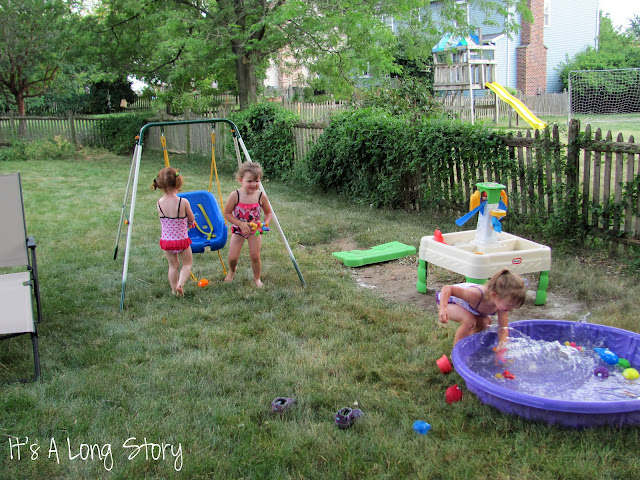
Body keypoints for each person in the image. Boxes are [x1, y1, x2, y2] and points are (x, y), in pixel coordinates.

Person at [436, 268, 527, 351]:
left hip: (468, 308)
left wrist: (502, 345)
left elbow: (503, 328)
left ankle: (470, 345)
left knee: (486, 322)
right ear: (494, 295)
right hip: (448, 302)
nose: (510, 309)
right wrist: (443, 309)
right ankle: (456, 353)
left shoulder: (501, 304)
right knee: (469, 320)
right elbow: (447, 289)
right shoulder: (475, 295)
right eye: (508, 305)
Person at [223, 162, 272, 287]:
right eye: (249, 181)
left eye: (257, 181)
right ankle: (232, 270)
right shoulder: (235, 195)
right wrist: (240, 223)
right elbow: (227, 213)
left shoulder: (261, 196)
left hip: (254, 231)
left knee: (255, 256)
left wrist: (265, 223)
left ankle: (257, 278)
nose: (253, 184)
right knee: (233, 257)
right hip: (238, 230)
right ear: (241, 180)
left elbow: (268, 213)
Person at [153, 167, 195, 297]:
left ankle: (173, 289)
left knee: (173, 266)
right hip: (181, 240)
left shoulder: (159, 203)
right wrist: (190, 222)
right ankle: (180, 284)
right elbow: (191, 218)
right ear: (178, 182)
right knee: (187, 264)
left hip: (167, 241)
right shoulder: (183, 202)